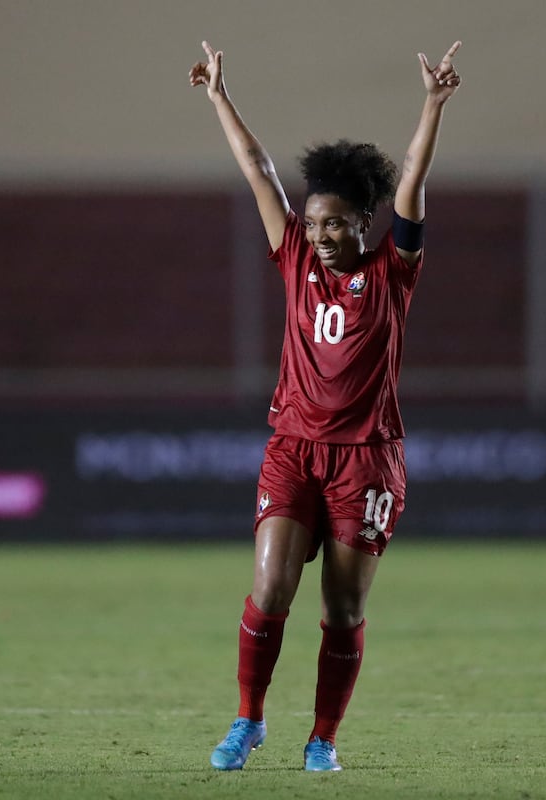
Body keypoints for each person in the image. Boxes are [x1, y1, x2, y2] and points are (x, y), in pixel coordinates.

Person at [189, 40, 462, 771]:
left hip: (368, 460)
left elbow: (413, 184)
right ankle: (248, 721)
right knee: (270, 585)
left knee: (342, 611)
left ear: (364, 222)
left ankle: (323, 740)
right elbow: (258, 170)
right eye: (313, 224)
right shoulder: (294, 259)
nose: (321, 235)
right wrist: (219, 96)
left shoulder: (394, 271)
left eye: (335, 223)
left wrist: (432, 106)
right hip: (293, 447)